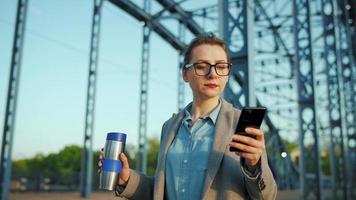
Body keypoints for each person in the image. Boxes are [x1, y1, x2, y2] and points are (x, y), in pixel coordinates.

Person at [100, 33, 277, 200]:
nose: (213, 73)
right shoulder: (169, 126)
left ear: (228, 75)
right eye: (201, 66)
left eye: (221, 67)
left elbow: (267, 196)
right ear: (185, 74)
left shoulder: (240, 124)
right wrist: (127, 178)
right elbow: (161, 191)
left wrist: (255, 166)